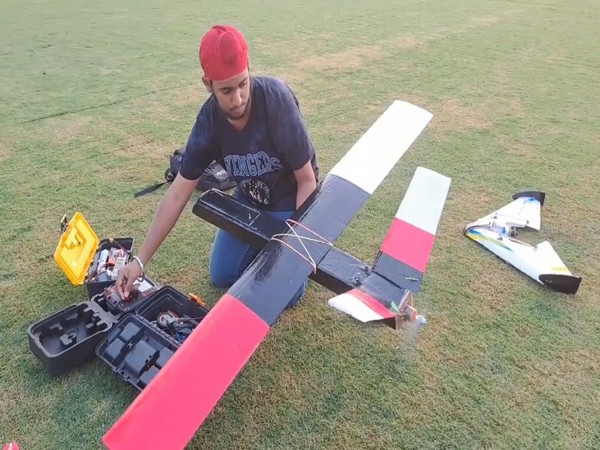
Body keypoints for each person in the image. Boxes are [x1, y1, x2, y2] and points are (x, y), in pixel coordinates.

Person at [116, 24, 319, 307]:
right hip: (249, 198)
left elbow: (307, 181)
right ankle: (267, 248)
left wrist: (297, 248)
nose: (237, 99)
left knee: (287, 292)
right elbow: (177, 193)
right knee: (222, 275)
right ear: (207, 84)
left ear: (249, 71)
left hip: (288, 198)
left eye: (243, 84)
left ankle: (277, 250)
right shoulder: (208, 122)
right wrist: (139, 260)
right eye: (226, 91)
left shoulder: (276, 100)